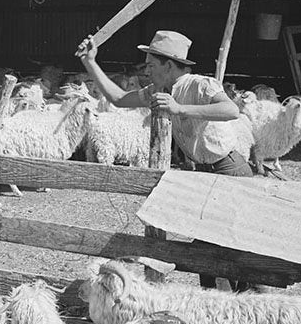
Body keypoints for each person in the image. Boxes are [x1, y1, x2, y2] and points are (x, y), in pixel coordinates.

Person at [76, 29, 251, 289]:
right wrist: (89, 62)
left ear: (168, 65)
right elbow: (119, 99)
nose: (146, 71)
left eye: (151, 65)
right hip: (205, 173)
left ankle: (251, 306)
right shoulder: (160, 90)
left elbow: (230, 109)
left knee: (230, 247)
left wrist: (180, 109)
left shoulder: (199, 85)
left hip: (229, 170)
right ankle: (223, 308)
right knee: (211, 247)